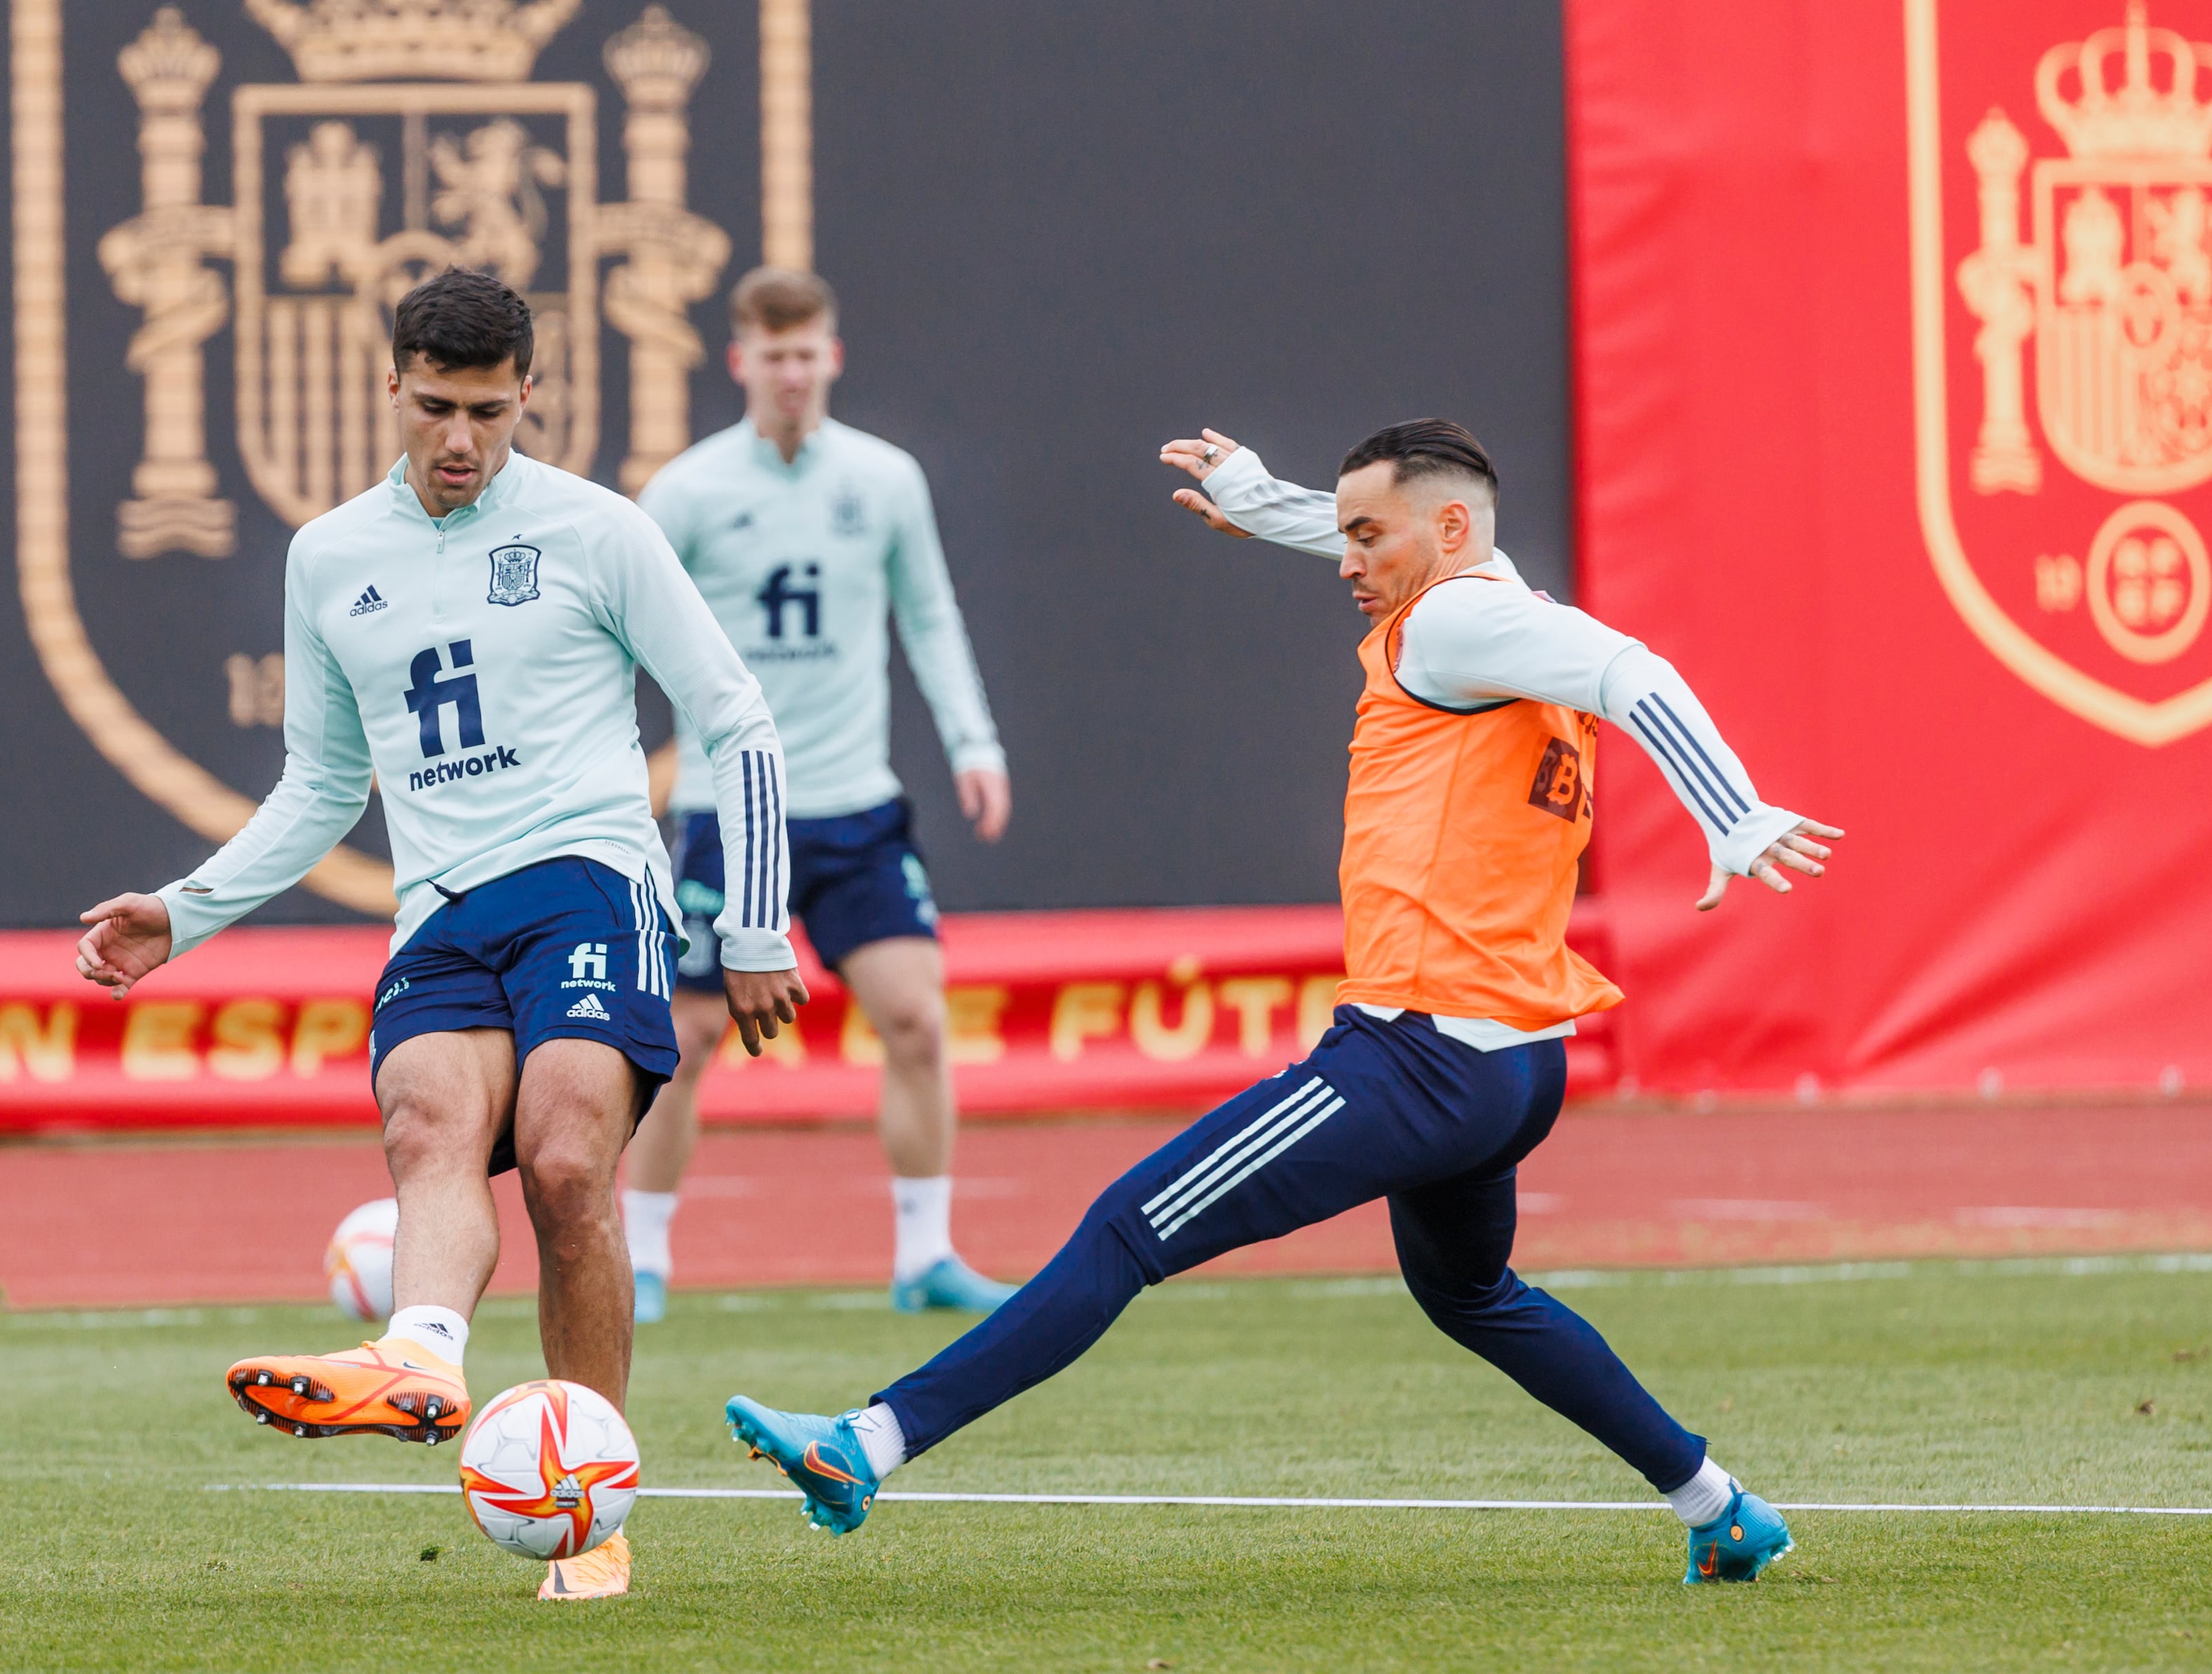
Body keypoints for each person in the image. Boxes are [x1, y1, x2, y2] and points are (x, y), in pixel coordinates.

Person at [723, 418, 1841, 1584]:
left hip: (1420, 1055)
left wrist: (1733, 808)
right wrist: (1271, 507)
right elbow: (1433, 563)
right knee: (1473, 1295)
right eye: (1343, 533)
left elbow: (1636, 673)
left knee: (1123, 1230)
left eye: (1368, 537)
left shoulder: (1455, 620)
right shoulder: (1502, 609)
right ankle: (1719, 1506)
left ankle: (868, 1443)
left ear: (1451, 530)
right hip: (1517, 1064)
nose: (1347, 560)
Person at [71, 269, 806, 1603]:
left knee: (567, 1161)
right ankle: (418, 1355)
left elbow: (735, 716)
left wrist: (753, 919)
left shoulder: (599, 530)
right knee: (424, 1128)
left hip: (590, 880)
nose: (458, 440)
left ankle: (596, 1511)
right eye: (433, 408)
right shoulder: (329, 556)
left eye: (485, 410)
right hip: (445, 911)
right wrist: (183, 912)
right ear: (390, 388)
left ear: (530, 392)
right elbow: (318, 787)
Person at [620, 267, 1022, 1321]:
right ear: (740, 360)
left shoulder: (885, 481)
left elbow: (929, 619)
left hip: (853, 805)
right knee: (688, 1035)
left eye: (809, 355)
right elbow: (623, 637)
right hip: (724, 809)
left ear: (832, 359)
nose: (792, 375)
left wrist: (973, 741)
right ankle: (647, 1257)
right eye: (774, 356)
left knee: (917, 1018)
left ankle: (926, 1254)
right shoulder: (691, 491)